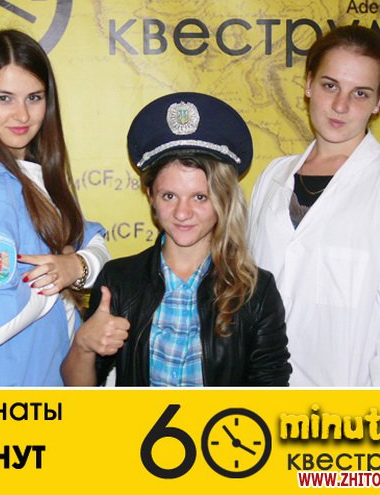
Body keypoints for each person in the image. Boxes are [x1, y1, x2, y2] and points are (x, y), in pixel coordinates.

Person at [248, 25, 380, 386]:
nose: (341, 105)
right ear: (309, 84)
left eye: (360, 93)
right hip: (259, 404)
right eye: (330, 85)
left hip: (351, 414)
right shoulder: (273, 177)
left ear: (379, 102)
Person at [62, 92, 291, 386]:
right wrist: (83, 344)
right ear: (151, 196)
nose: (183, 213)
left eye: (200, 197)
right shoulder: (119, 281)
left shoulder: (256, 292)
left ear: (223, 198)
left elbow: (270, 394)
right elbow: (79, 392)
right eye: (169, 196)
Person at [0, 29, 110, 386]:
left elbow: (97, 245)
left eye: (34, 97)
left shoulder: (33, 174)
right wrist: (58, 277)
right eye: (4, 98)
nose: (22, 114)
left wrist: (75, 265)